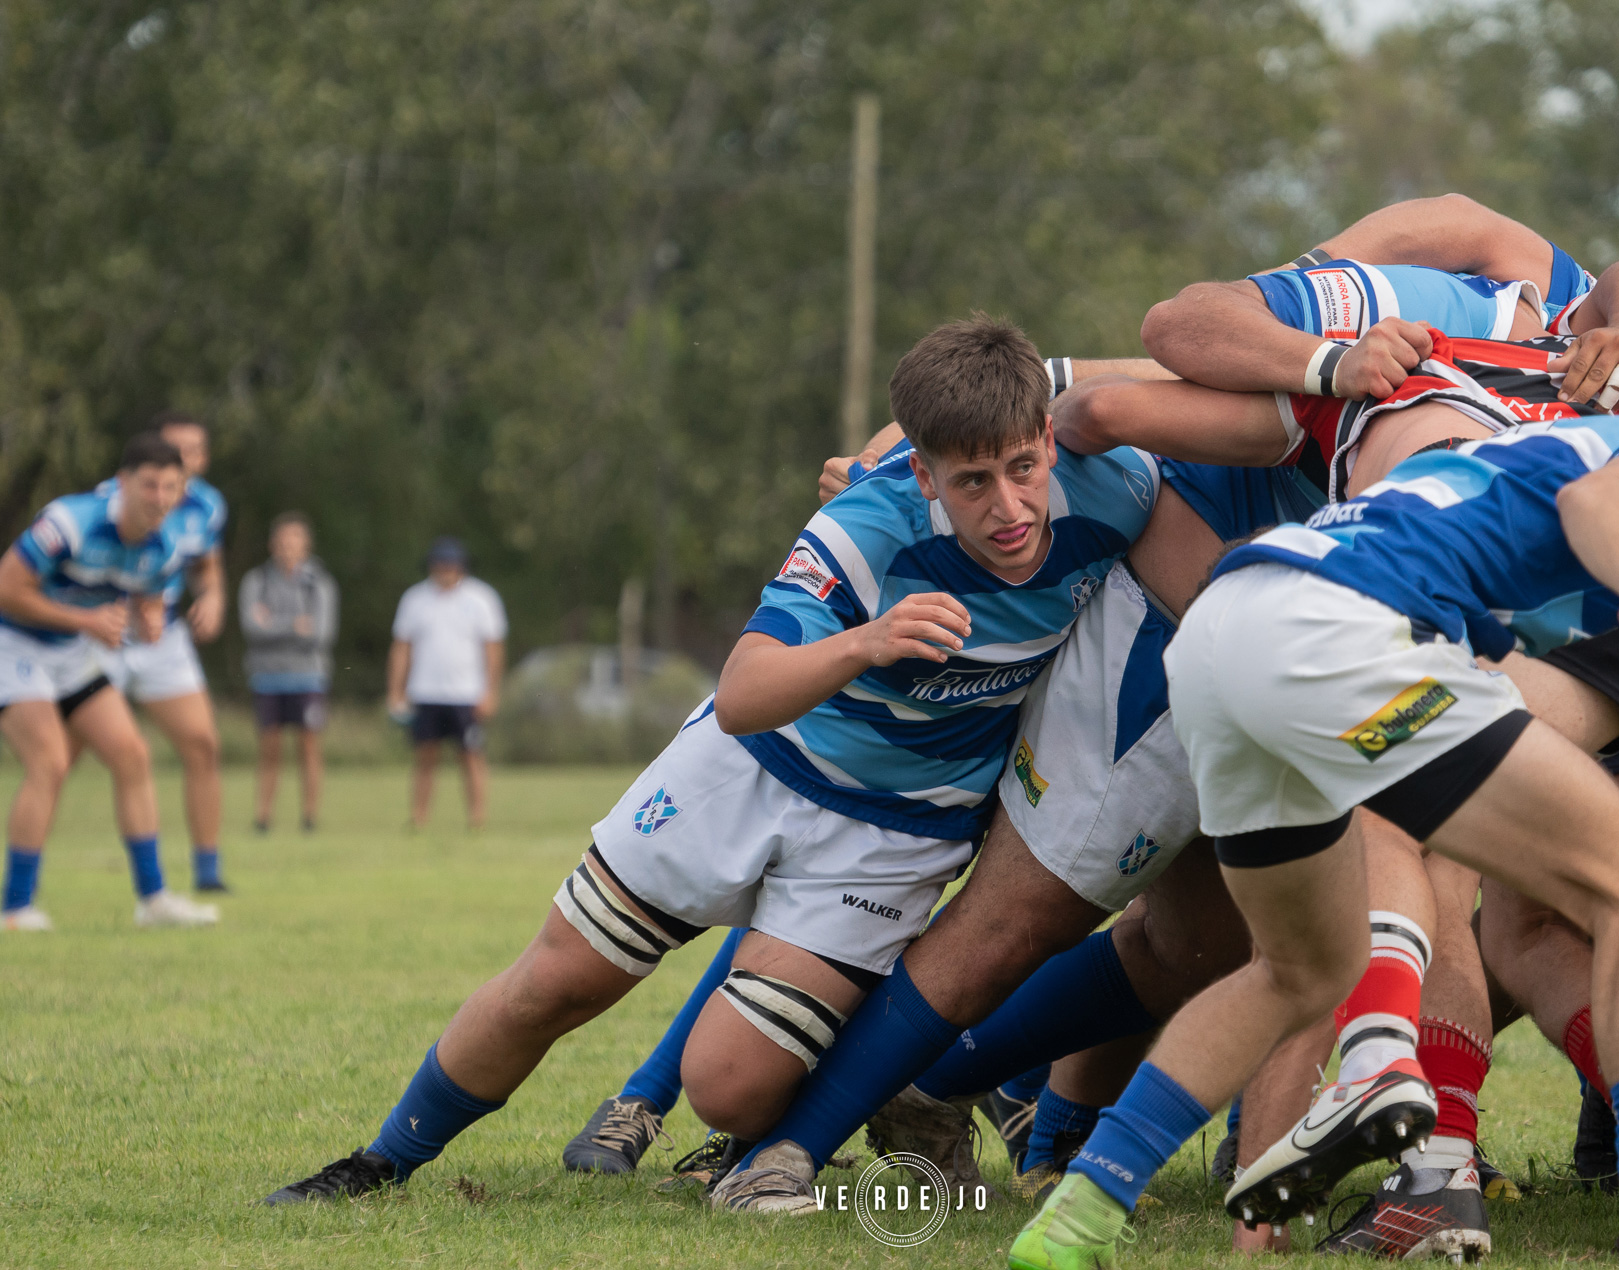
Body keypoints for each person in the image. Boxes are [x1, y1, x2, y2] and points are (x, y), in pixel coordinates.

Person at [260, 315, 1159, 1204]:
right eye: (971, 483)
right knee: (556, 981)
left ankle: (766, 1132)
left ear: (1048, 435)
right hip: (754, 771)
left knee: (729, 1083)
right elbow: (743, 692)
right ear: (921, 473)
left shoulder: (1117, 490)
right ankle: (381, 1160)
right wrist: (867, 642)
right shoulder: (866, 527)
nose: (1008, 507)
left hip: (897, 833)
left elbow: (1184, 392)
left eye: (1022, 469)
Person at [1008, 333, 1619, 1270]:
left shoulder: (1537, 457)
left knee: (1299, 971)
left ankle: (1078, 1221)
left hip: (1230, 635)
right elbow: (1603, 505)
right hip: (1336, 629)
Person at [0, 433, 220, 931]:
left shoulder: (163, 548)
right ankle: (14, 908)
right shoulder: (70, 522)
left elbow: (145, 601)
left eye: (170, 488)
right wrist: (85, 622)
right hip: (11, 646)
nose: (159, 499)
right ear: (122, 483)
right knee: (50, 760)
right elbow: (6, 588)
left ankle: (153, 900)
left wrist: (149, 622)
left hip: (68, 654)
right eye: (149, 486)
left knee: (132, 755)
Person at [91, 411, 231, 891]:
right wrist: (131, 607)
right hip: (102, 634)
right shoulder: (113, 500)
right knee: (57, 758)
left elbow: (205, 566)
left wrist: (212, 596)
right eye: (175, 449)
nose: (184, 459)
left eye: (193, 451)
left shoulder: (208, 506)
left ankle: (208, 871)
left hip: (163, 638)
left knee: (203, 744)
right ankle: (22, 892)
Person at [387, 538, 506, 830]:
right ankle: (419, 816)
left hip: (466, 693)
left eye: (450, 565)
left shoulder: (481, 599)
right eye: (440, 565)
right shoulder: (415, 599)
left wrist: (491, 691)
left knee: (470, 755)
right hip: (426, 691)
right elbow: (402, 648)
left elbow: (492, 648)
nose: (445, 571)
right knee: (425, 757)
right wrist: (395, 690)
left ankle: (477, 817)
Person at [240, 512, 338, 832]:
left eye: (295, 540)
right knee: (270, 749)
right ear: (272, 545)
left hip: (308, 676)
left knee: (308, 747)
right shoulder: (256, 581)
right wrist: (294, 626)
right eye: (282, 541)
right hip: (267, 677)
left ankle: (309, 816)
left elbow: (321, 634)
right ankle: (263, 817)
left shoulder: (320, 585)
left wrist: (273, 625)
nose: (288, 547)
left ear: (306, 545)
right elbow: (252, 629)